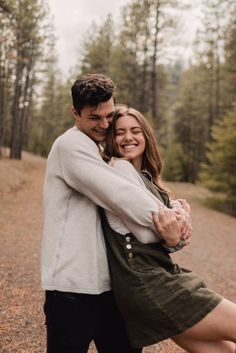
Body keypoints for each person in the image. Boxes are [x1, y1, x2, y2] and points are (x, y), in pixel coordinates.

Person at [41, 74, 192, 353]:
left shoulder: (102, 151)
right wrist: (172, 219)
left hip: (112, 288)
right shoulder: (71, 146)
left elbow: (133, 216)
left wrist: (173, 221)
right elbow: (121, 196)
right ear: (75, 113)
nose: (104, 124)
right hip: (72, 290)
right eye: (94, 117)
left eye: (109, 115)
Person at [102, 105, 236, 353]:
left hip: (160, 279)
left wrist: (176, 221)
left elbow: (171, 234)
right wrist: (179, 216)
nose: (128, 137)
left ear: (146, 136)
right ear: (111, 138)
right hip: (149, 284)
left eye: (135, 130)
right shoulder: (118, 170)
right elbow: (159, 225)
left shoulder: (146, 177)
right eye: (119, 132)